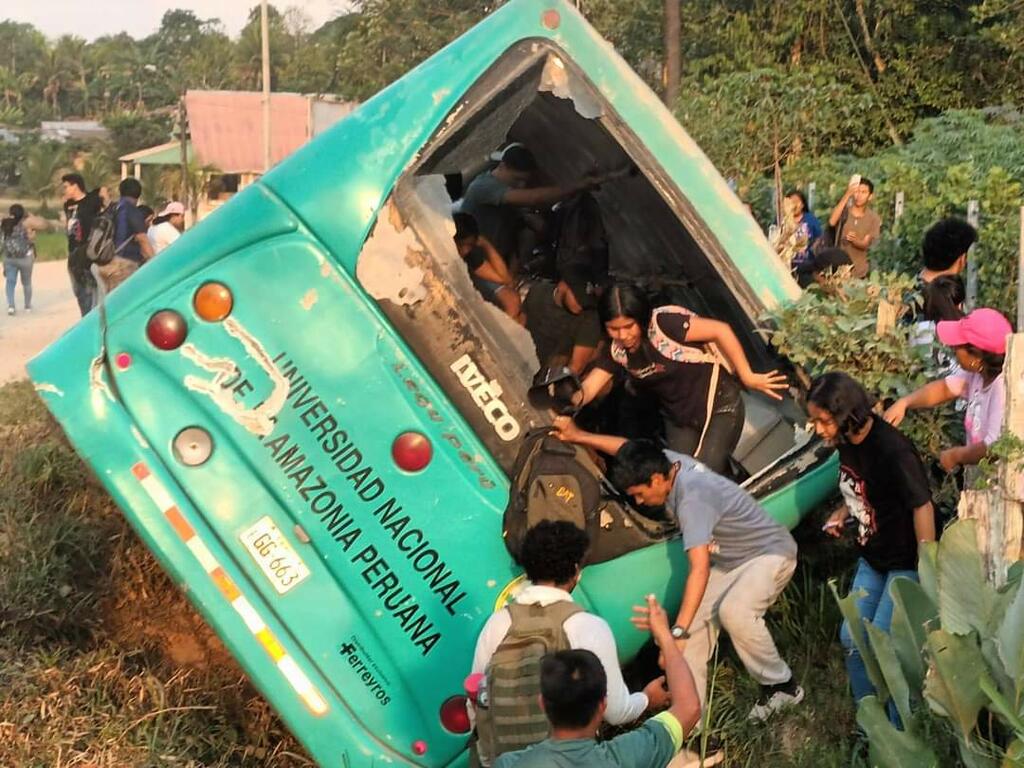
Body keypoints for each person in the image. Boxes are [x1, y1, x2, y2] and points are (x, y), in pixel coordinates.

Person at [551, 423, 802, 722]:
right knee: (688, 637)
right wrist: (578, 435)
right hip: (733, 559)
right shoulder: (664, 461)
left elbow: (699, 570)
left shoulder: (692, 500)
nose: (639, 502)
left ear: (657, 479)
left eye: (640, 494)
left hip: (770, 553)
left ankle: (782, 687)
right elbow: (626, 447)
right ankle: (692, 718)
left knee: (734, 612)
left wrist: (678, 632)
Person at [469, 521, 667, 766]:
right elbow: (616, 711)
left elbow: (475, 697)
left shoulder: (498, 623)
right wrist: (647, 698)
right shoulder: (588, 627)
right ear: (575, 571)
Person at [808, 372, 935, 718]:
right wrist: (842, 512)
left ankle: (901, 730)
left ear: (845, 412)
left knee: (884, 642)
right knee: (852, 638)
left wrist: (928, 567)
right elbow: (861, 489)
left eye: (823, 420)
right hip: (873, 558)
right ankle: (870, 722)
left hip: (903, 560)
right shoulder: (846, 441)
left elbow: (922, 504)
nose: (818, 429)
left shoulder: (892, 449)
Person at [566, 283, 788, 475]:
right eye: (614, 329)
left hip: (719, 404)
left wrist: (747, 376)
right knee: (679, 479)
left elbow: (721, 330)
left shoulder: (664, 325)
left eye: (628, 326)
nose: (623, 335)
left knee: (702, 472)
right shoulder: (617, 351)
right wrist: (566, 405)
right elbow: (590, 386)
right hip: (679, 418)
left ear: (641, 319)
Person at [492, 595, 701, 768]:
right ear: (603, 706)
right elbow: (689, 707)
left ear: (543, 704)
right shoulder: (626, 758)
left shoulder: (508, 764)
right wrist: (665, 636)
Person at [885, 308, 1012, 472]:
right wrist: (905, 402)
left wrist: (956, 455)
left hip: (1003, 488)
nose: (952, 348)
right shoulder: (978, 374)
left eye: (958, 345)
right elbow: (944, 389)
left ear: (976, 355)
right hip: (983, 481)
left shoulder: (1002, 389)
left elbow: (994, 445)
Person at [459, 144, 599, 267]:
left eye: (525, 181)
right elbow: (534, 197)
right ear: (502, 166)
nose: (522, 185)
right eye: (517, 179)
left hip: (494, 260)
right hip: (470, 258)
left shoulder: (506, 192)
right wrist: (578, 186)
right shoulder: (484, 186)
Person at [523, 267, 602, 375]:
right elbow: (518, 324)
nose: (582, 304)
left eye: (586, 300)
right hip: (521, 351)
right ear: (563, 285)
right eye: (578, 298)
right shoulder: (538, 292)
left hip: (548, 370)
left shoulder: (589, 320)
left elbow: (575, 367)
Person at [453, 212, 524, 323]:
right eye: (461, 245)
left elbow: (505, 278)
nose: (465, 250)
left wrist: (486, 244)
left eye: (469, 245)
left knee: (516, 307)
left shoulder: (469, 255)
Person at [61, 172, 103, 316]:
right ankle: (85, 317)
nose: (64, 190)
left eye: (66, 187)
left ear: (75, 186)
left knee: (90, 291)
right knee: (79, 291)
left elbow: (102, 196)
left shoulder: (92, 201)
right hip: (73, 251)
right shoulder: (68, 205)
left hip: (88, 251)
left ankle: (91, 318)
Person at [828, 176, 881, 278]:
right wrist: (847, 194)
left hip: (859, 272)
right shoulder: (843, 212)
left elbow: (865, 244)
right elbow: (832, 222)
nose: (859, 195)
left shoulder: (874, 218)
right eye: (857, 191)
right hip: (838, 270)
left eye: (863, 192)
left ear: (870, 196)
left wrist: (855, 240)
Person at [2, 204, 34, 316]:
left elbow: (2, 242)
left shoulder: (4, 225)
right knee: (27, 283)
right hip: (25, 258)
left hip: (9, 258)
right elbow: (30, 240)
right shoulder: (25, 225)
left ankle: (11, 306)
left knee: (10, 282)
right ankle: (27, 306)